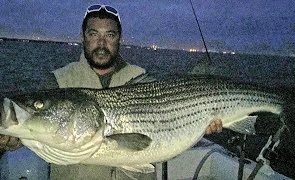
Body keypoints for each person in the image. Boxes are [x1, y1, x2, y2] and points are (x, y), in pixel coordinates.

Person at [0, 4, 222, 179]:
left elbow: (175, 122)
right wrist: (12, 139)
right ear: (83, 37)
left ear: (119, 39)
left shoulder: (141, 78)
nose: (101, 43)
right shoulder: (58, 81)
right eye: (94, 34)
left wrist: (204, 121)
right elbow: (40, 129)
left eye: (110, 35)